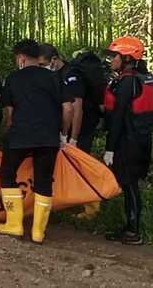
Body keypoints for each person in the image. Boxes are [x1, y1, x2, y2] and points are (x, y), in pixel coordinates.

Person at [0, 39, 72, 243]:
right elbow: (68, 109)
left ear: (20, 58)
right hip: (48, 137)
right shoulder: (55, 78)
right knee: (44, 180)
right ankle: (38, 232)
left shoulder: (13, 78)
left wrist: (8, 132)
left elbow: (9, 112)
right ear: (38, 57)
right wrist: (63, 135)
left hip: (21, 134)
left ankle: (14, 224)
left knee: (7, 173)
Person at [38, 43, 105, 219]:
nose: (41, 68)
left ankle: (92, 205)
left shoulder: (71, 75)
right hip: (67, 128)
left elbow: (77, 108)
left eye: (42, 64)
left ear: (54, 59)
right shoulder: (58, 75)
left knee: (80, 163)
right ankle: (71, 200)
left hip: (82, 126)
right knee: (69, 165)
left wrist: (72, 138)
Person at [103, 36, 153, 245]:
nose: (111, 60)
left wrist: (110, 149)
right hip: (142, 139)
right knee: (129, 183)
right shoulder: (144, 78)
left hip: (128, 142)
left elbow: (118, 118)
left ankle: (133, 231)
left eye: (114, 56)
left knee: (129, 184)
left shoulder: (128, 82)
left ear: (126, 58)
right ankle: (130, 228)